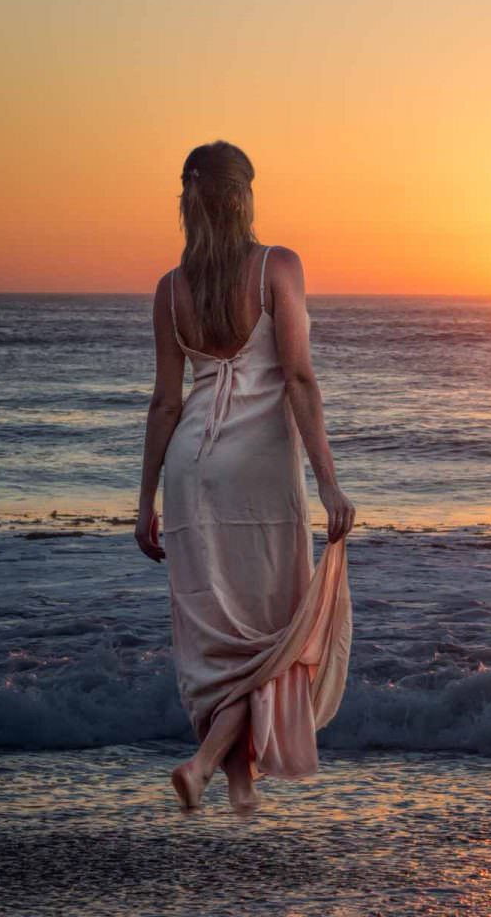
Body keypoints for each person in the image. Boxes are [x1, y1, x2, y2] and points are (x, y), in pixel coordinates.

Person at [134, 140, 356, 812]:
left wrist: (144, 499)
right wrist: (328, 481)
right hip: (257, 472)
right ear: (245, 197)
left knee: (222, 637)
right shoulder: (276, 267)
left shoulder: (171, 290)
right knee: (280, 634)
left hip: (191, 472)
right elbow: (298, 378)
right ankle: (203, 766)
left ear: (189, 200)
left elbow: (166, 402)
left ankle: (240, 790)